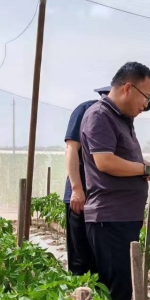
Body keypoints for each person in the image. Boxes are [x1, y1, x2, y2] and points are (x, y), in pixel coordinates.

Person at [80, 62, 150, 300]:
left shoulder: (122, 119)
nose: (146, 104)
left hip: (122, 217)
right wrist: (145, 169)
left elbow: (121, 158)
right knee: (116, 291)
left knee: (120, 287)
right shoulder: (100, 115)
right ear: (128, 88)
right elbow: (105, 162)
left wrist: (145, 167)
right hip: (110, 218)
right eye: (146, 97)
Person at [63, 86, 109, 275]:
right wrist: (76, 189)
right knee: (80, 258)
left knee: (101, 260)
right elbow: (71, 149)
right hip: (81, 196)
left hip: (104, 199)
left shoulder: (121, 119)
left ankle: (99, 294)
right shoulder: (85, 110)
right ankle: (79, 292)